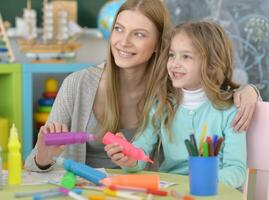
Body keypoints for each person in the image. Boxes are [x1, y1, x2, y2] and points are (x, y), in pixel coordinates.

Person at [25, 0, 258, 172]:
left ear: (159, 44)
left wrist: (249, 92)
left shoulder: (172, 89)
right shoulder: (78, 84)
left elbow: (213, 87)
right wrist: (43, 157)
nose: (123, 42)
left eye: (138, 34)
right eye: (118, 29)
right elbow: (33, 165)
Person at [105, 21, 248, 189]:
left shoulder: (230, 110)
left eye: (186, 56)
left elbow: (236, 170)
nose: (174, 63)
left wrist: (206, 181)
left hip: (214, 191)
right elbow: (141, 149)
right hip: (173, 191)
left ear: (211, 64)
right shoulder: (162, 105)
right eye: (172, 55)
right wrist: (129, 158)